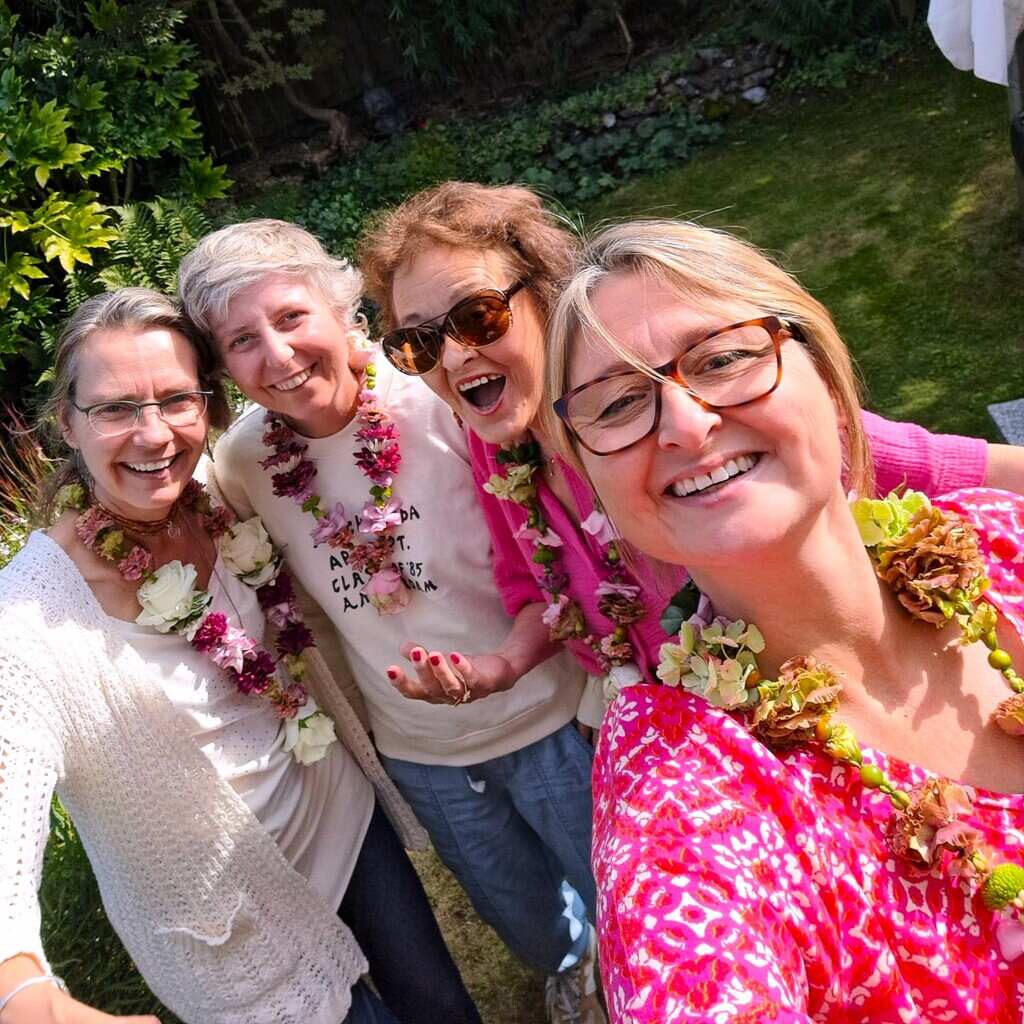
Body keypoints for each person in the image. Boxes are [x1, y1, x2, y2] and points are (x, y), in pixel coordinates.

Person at [543, 219, 1024, 1021]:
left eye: (724, 359)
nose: (687, 425)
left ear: (832, 391)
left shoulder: (998, 542)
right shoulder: (681, 800)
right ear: (597, 485)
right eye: (619, 404)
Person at [359, 180, 1024, 725]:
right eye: (417, 343)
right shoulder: (497, 462)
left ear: (543, 298)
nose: (453, 354)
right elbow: (534, 589)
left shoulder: (701, 416)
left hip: (839, 713)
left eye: (476, 318)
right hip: (680, 728)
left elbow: (956, 466)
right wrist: (501, 666)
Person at [0, 288, 479, 1024]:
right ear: (66, 421)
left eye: (176, 400)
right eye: (117, 408)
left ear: (209, 406)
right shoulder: (28, 616)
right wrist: (24, 991)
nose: (154, 435)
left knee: (441, 1004)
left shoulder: (219, 504)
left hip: (344, 824)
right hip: (239, 933)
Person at [177, 221, 603, 1024]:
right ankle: (571, 969)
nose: (277, 355)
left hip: (549, 714)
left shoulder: (441, 396)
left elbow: (553, 547)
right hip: (425, 757)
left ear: (344, 311)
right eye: (241, 340)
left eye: (292, 316)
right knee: (526, 920)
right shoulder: (239, 466)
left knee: (619, 886)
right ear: (224, 366)